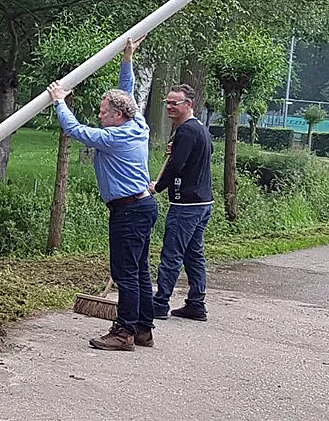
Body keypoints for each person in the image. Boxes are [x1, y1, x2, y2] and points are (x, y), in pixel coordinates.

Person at [47, 36, 156, 351]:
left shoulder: (115, 137)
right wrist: (127, 59)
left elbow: (76, 131)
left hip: (129, 211)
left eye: (104, 112)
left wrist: (59, 101)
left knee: (126, 274)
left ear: (118, 116)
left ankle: (124, 333)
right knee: (139, 271)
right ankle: (143, 330)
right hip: (142, 207)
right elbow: (128, 93)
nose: (100, 116)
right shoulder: (138, 123)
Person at [150, 84, 214, 321]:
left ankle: (159, 303)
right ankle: (196, 304)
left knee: (172, 253)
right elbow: (206, 152)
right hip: (203, 201)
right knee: (194, 253)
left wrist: (157, 186)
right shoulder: (200, 129)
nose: (169, 107)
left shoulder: (186, 131)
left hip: (186, 204)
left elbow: (177, 165)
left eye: (174, 103)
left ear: (189, 105)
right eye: (167, 102)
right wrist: (176, 150)